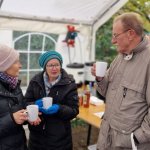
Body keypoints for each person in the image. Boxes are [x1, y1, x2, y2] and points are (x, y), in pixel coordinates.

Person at [91, 12, 150, 150]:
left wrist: (136, 138)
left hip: (130, 145)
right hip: (107, 139)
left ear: (130, 34)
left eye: (115, 35)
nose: (113, 41)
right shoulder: (120, 57)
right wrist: (100, 78)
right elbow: (105, 92)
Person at [24, 50, 79, 150]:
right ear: (45, 67)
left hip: (60, 140)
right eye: (50, 65)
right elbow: (25, 102)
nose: (54, 68)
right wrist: (34, 105)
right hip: (37, 138)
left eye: (57, 65)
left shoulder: (69, 83)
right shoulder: (35, 81)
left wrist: (59, 109)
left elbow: (74, 110)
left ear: (61, 65)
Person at [0, 44, 28, 150]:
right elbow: (13, 118)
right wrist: (12, 119)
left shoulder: (13, 84)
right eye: (16, 62)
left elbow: (20, 110)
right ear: (4, 65)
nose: (20, 66)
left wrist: (28, 114)